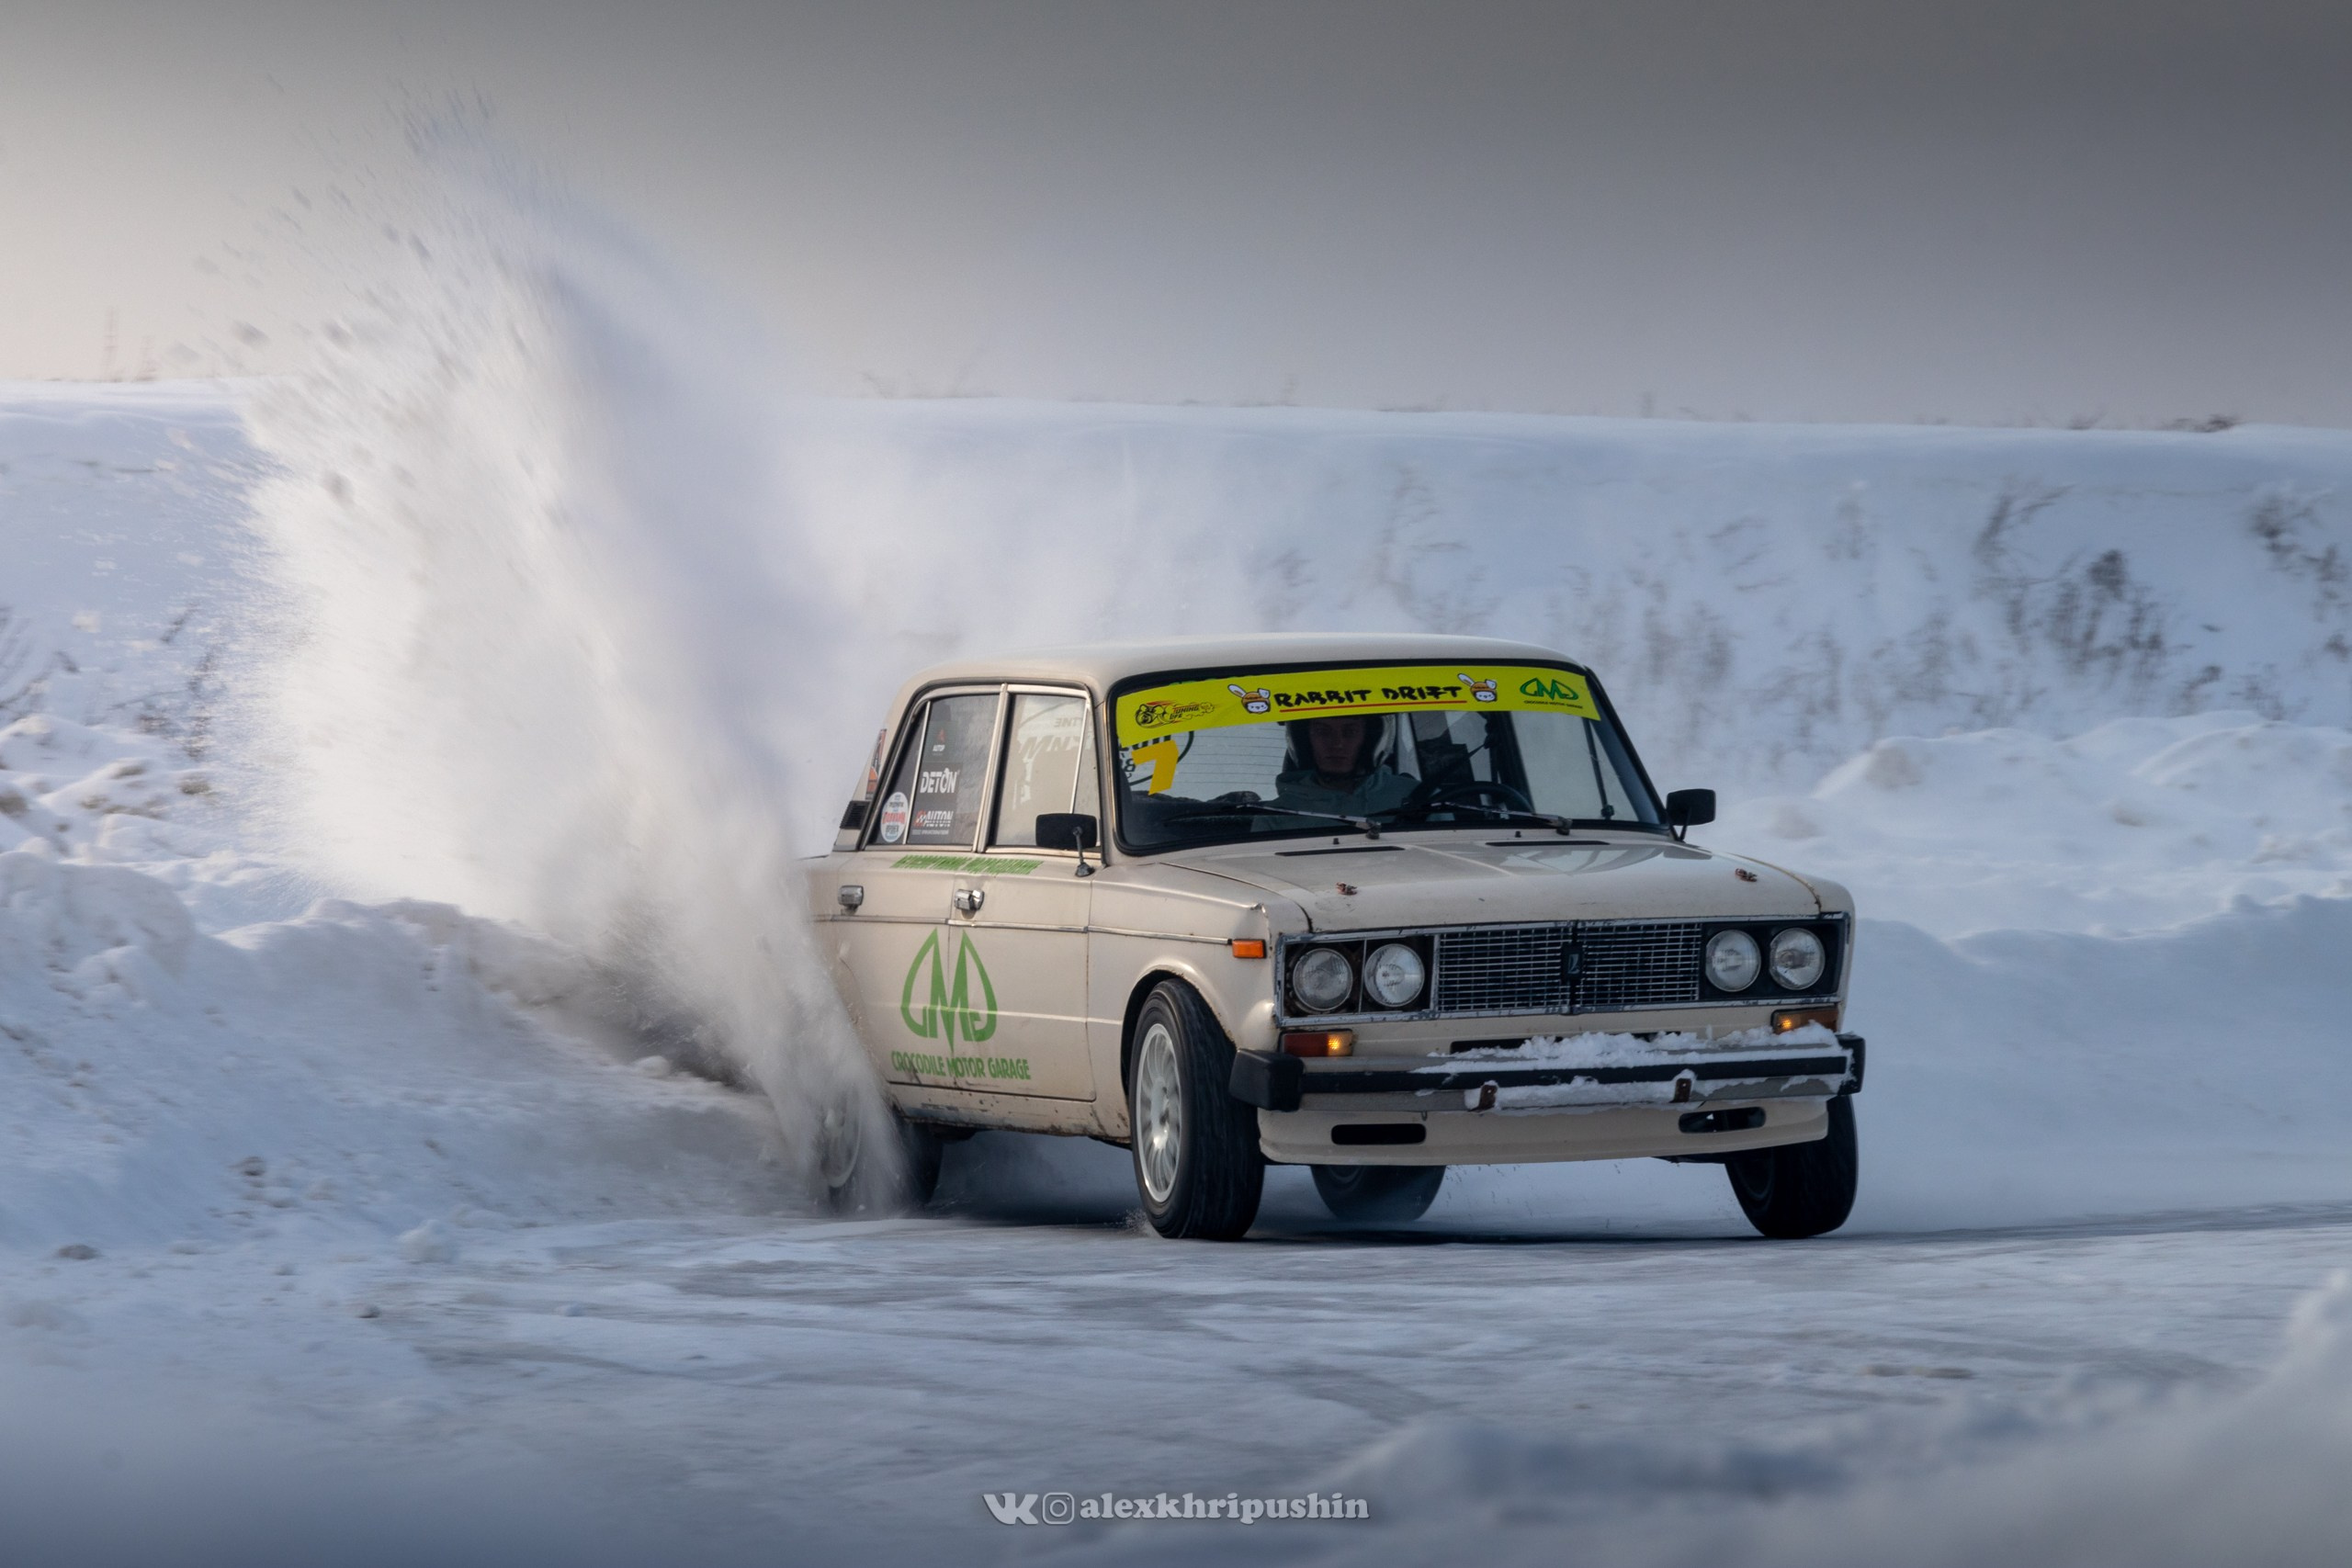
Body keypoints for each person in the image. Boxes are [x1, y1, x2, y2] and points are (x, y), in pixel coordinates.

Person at [1271, 714, 1419, 818]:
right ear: (1305, 739)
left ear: (1368, 740)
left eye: (1350, 732)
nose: (1337, 744)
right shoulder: (1276, 815)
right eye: (1323, 731)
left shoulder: (1417, 799)